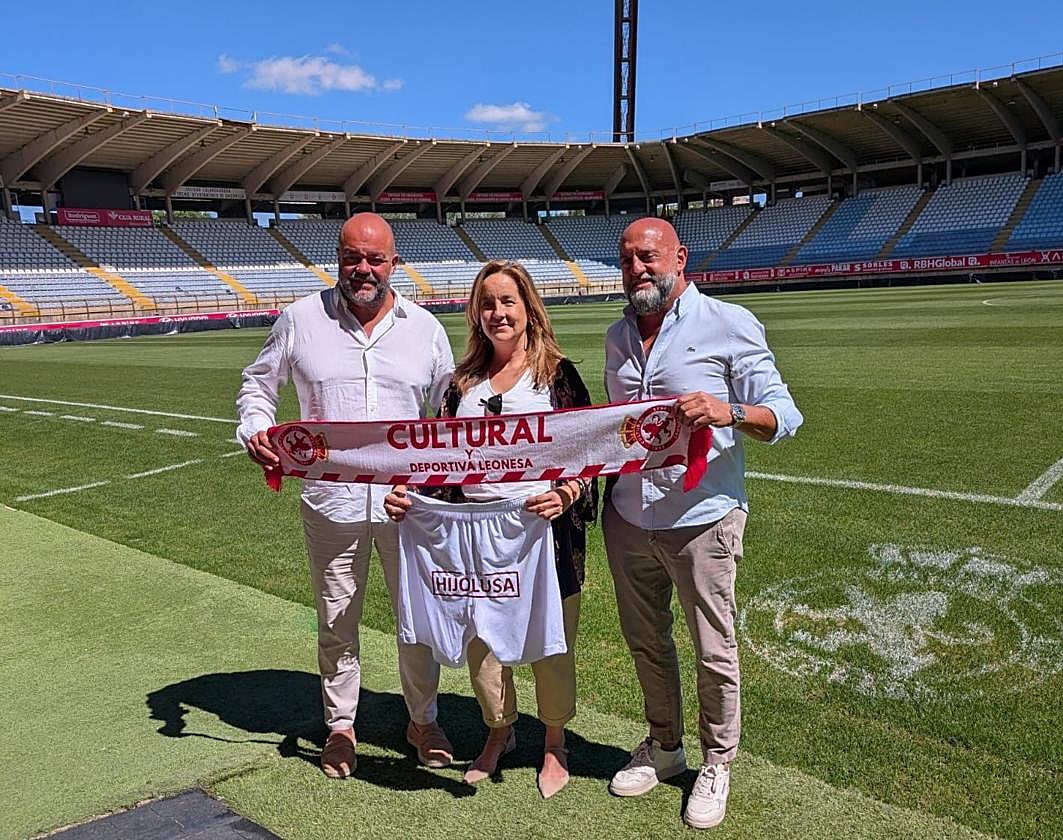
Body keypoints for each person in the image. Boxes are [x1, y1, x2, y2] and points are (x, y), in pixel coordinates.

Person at [236, 212, 457, 779]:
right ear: (338, 257)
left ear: (394, 262)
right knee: (337, 619)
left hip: (405, 505)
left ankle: (423, 719)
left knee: (416, 618)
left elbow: (450, 412)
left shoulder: (425, 328)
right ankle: (340, 726)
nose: (362, 268)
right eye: (352, 257)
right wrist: (256, 430)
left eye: (374, 258)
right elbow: (258, 384)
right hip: (329, 503)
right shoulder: (301, 318)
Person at [603, 217, 802, 830]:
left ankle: (718, 761)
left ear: (679, 258)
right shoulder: (617, 335)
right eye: (629, 258)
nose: (639, 267)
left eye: (649, 256)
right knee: (646, 641)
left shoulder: (728, 323)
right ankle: (664, 746)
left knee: (713, 647)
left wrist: (728, 410)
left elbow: (785, 415)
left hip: (702, 519)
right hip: (630, 515)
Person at [385, 259, 597, 799]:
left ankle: (554, 743)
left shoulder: (558, 375)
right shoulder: (461, 386)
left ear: (528, 309)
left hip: (542, 538)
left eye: (507, 301)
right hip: (472, 543)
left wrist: (567, 492)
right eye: (487, 303)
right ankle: (498, 732)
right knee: (481, 650)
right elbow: (441, 464)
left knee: (551, 649)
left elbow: (590, 454)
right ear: (475, 314)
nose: (497, 312)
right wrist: (412, 497)